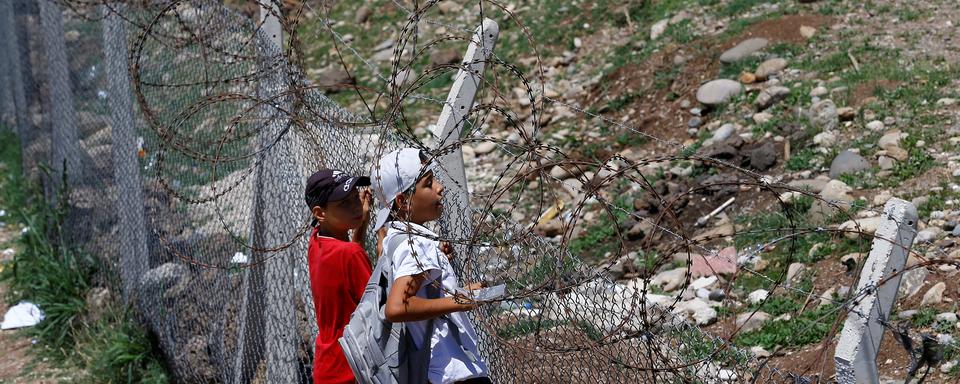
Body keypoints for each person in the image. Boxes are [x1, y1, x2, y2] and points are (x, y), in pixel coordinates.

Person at [372, 148, 492, 384]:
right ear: (403, 201)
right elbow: (397, 307)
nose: (439, 187)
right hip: (451, 369)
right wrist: (459, 301)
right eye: (428, 183)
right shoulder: (415, 244)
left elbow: (420, 292)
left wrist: (457, 291)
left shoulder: (395, 236)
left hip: (432, 369)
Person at [305, 169, 373, 384]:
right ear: (320, 213)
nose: (355, 207)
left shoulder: (317, 241)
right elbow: (382, 307)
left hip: (329, 364)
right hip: (352, 370)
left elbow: (348, 264)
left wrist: (361, 226)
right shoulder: (350, 255)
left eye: (355, 198)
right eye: (344, 203)